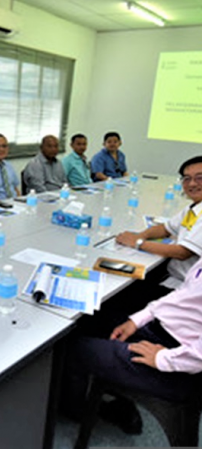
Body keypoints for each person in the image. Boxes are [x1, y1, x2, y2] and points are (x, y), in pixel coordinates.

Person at [61, 255, 202, 435]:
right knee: (87, 320)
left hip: (182, 364)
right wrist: (137, 320)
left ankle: (76, 410)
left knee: (76, 349)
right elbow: (183, 294)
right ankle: (86, 393)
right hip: (165, 332)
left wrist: (162, 358)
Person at [115, 156, 202, 310]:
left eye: (199, 178)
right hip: (174, 275)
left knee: (118, 300)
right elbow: (165, 228)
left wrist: (138, 243)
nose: (192, 184)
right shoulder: (194, 208)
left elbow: (182, 252)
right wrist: (140, 235)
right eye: (187, 179)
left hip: (189, 291)